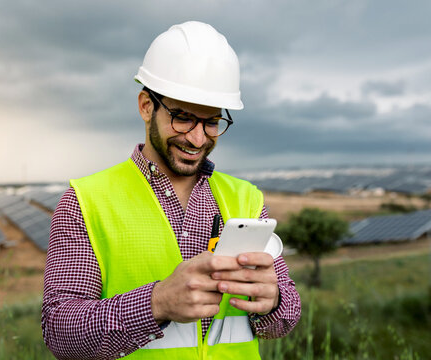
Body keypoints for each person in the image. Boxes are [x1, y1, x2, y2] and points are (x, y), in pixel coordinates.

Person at [41, 21, 301, 360]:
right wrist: (157, 303)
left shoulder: (246, 199)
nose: (197, 138)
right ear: (146, 106)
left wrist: (273, 303)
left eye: (211, 122)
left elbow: (285, 319)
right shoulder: (86, 202)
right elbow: (60, 333)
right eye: (182, 117)